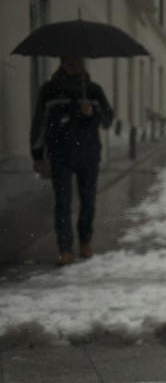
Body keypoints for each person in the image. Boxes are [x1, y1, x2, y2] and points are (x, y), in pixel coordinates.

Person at [30, 57, 114, 266]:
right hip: (60, 155)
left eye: (76, 63)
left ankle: (85, 240)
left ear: (82, 64)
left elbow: (108, 119)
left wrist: (92, 112)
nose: (73, 67)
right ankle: (65, 248)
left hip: (88, 154)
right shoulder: (50, 90)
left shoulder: (93, 90)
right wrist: (37, 154)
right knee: (62, 203)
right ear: (62, 64)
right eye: (69, 63)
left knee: (88, 201)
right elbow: (39, 123)